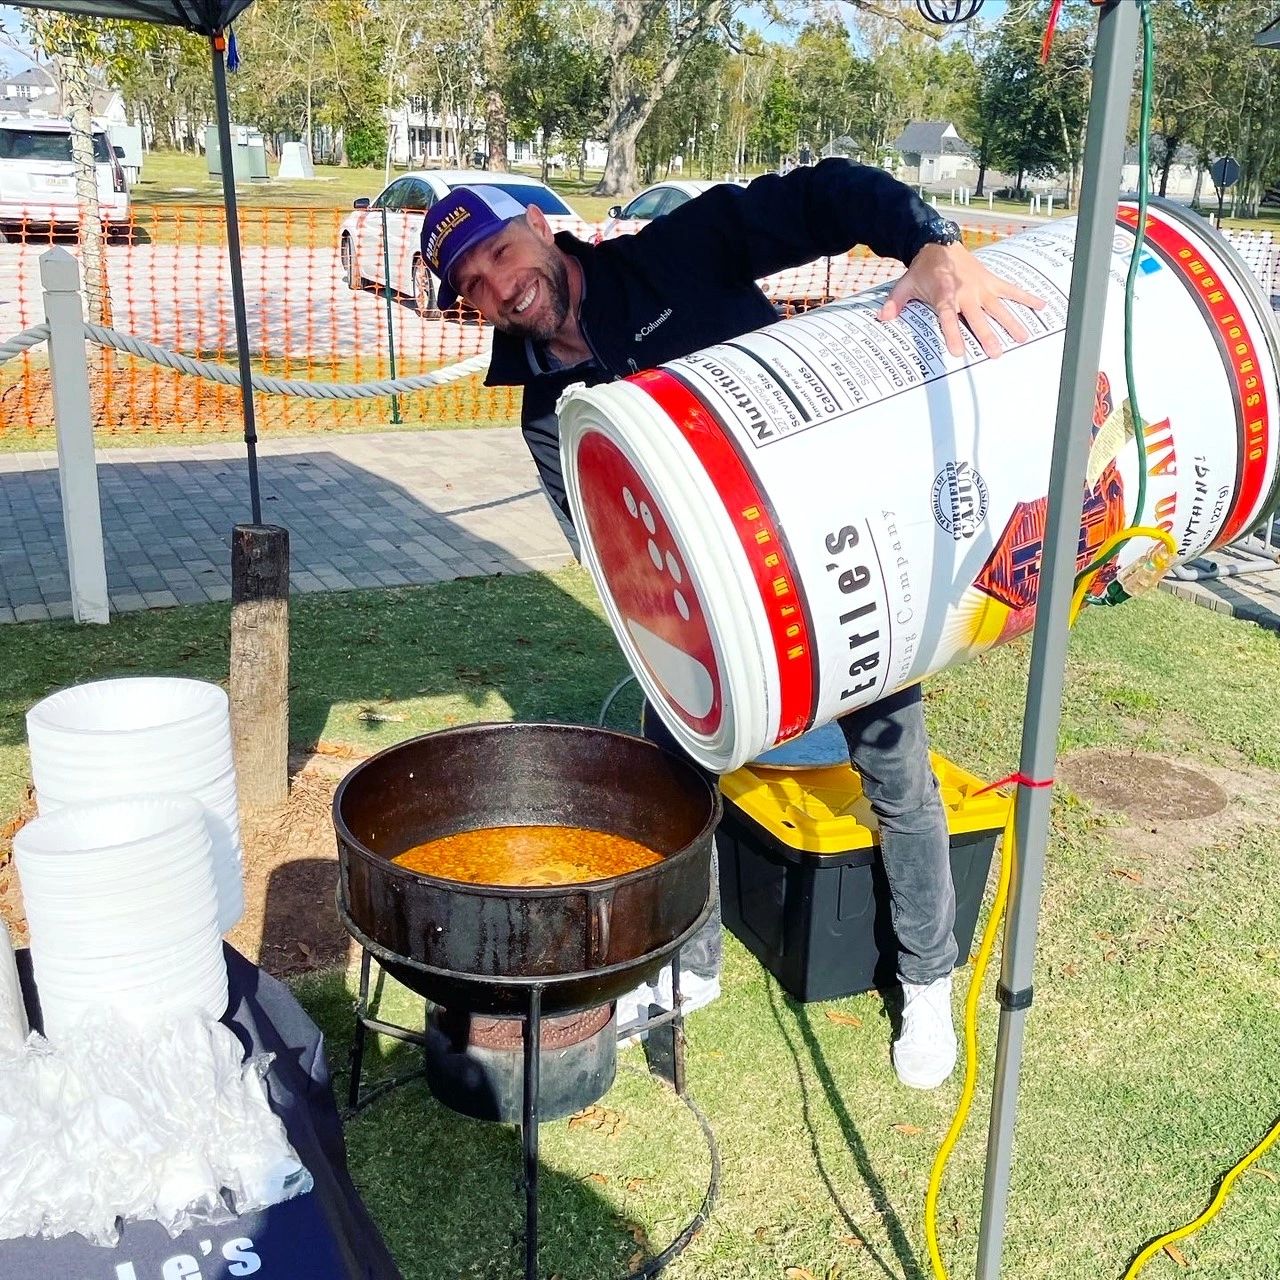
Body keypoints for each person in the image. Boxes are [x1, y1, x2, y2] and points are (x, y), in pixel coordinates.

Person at [419, 162, 1042, 1089]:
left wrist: (933, 242)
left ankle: (926, 983)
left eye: (501, 252)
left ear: (545, 231)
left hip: (835, 568)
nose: (497, 286)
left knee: (896, 771)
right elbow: (604, 551)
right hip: (709, 614)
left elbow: (822, 197)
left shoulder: (679, 252)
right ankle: (691, 962)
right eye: (470, 283)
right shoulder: (545, 410)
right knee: (660, 753)